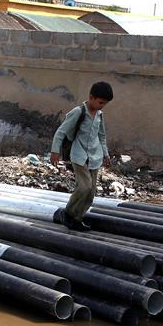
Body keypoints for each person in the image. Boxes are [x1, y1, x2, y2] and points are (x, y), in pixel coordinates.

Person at [50, 81, 113, 231]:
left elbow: (102, 136)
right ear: (91, 97)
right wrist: (55, 151)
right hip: (79, 156)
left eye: (104, 104)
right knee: (84, 187)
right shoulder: (78, 112)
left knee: (91, 193)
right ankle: (67, 213)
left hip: (95, 157)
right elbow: (61, 132)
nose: (101, 106)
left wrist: (106, 154)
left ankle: (77, 219)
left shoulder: (99, 115)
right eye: (100, 102)